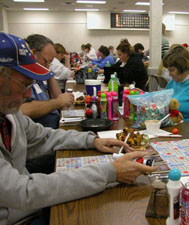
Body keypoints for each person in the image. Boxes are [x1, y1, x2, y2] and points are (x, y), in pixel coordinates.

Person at [0, 32, 158, 225]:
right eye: (24, 84)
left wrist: (91, 140)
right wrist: (110, 172)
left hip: (28, 210)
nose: (27, 93)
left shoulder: (9, 113)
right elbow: (23, 192)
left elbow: (43, 137)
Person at [21, 34, 74, 129]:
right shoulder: (22, 77)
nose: (47, 65)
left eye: (50, 63)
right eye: (46, 61)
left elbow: (59, 98)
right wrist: (57, 102)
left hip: (53, 128)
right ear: (32, 54)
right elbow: (23, 110)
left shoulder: (37, 75)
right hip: (41, 136)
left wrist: (48, 73)